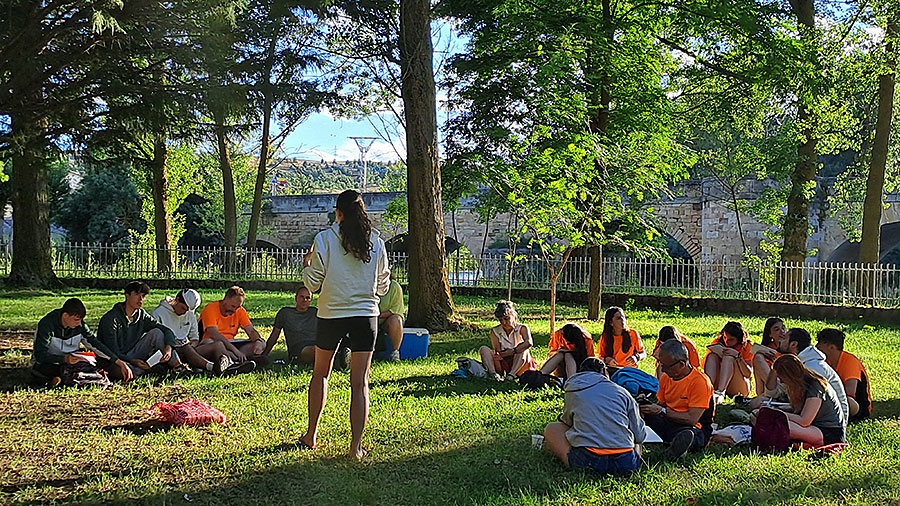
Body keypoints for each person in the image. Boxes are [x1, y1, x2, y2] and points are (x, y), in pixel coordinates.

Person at [298, 189, 391, 461]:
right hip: (365, 316)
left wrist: (306, 264)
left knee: (321, 374)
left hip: (331, 314)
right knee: (360, 383)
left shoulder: (324, 239)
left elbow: (312, 283)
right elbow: (383, 286)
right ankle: (355, 448)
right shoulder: (376, 242)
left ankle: (312, 435)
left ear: (337, 212)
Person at [543, 357, 645, 474]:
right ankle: (634, 463)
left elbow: (567, 422)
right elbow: (639, 436)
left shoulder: (574, 389)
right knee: (637, 434)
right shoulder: (622, 392)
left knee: (552, 428)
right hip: (625, 462)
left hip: (587, 460)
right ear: (604, 371)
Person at [754, 327, 849, 425]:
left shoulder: (812, 368)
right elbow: (772, 393)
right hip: (810, 415)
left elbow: (804, 413)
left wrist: (777, 411)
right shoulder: (799, 364)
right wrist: (775, 366)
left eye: (784, 338)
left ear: (794, 344)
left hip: (828, 423)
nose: (780, 340)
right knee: (760, 403)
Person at [640, 340, 715, 460]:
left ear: (681, 364)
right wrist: (644, 404)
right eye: (661, 364)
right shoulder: (666, 377)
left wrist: (661, 411)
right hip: (669, 420)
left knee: (690, 435)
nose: (663, 369)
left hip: (692, 427)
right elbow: (661, 405)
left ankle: (677, 446)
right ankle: (671, 443)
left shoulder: (700, 382)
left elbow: (691, 419)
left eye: (665, 365)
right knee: (641, 411)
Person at [96, 281, 180, 382]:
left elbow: (166, 330)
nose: (140, 299)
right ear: (127, 295)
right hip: (114, 360)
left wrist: (169, 347)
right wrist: (133, 361)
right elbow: (112, 350)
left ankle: (178, 366)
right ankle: (145, 370)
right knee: (126, 372)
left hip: (134, 354)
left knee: (157, 332)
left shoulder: (142, 315)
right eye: (136, 295)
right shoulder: (111, 319)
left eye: (143, 296)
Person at [768, 354, 846, 446]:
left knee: (783, 425)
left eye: (782, 378)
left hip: (828, 432)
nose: (781, 382)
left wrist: (777, 413)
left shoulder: (815, 386)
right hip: (812, 427)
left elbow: (804, 420)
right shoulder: (799, 386)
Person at [152, 289, 231, 375]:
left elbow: (195, 338)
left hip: (189, 350)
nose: (184, 312)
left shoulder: (190, 314)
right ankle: (212, 367)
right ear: (177, 300)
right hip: (170, 352)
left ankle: (230, 366)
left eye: (187, 311)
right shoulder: (159, 313)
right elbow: (155, 338)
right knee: (186, 349)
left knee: (217, 344)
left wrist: (192, 344)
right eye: (183, 308)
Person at [31, 298, 106, 383]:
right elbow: (39, 355)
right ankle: (56, 378)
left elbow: (94, 343)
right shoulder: (47, 325)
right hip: (50, 362)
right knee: (49, 369)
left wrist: (116, 360)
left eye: (81, 320)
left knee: (95, 365)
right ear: (65, 315)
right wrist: (64, 359)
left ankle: (69, 377)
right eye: (76, 320)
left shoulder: (81, 326)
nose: (79, 323)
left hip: (73, 362)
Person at [197, 286, 264, 373]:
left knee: (259, 344)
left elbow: (251, 330)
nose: (234, 310)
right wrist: (235, 351)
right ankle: (234, 363)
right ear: (225, 299)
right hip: (211, 343)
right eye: (232, 306)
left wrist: (258, 341)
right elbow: (214, 333)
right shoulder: (211, 308)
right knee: (217, 344)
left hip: (232, 344)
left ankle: (238, 360)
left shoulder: (240, 311)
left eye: (237, 307)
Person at [816, 328, 870, 421]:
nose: (816, 346)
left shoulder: (850, 361)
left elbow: (850, 393)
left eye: (820, 343)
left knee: (847, 400)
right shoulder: (826, 361)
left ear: (831, 347)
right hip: (835, 400)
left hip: (856, 406)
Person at [479, 300, 538, 380]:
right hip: (503, 361)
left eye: (506, 319)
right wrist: (500, 356)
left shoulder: (522, 328)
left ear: (513, 315)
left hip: (520, 361)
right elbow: (498, 352)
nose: (504, 322)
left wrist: (513, 351)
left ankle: (511, 375)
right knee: (484, 349)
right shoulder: (495, 331)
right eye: (501, 320)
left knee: (523, 349)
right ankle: (493, 374)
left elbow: (529, 343)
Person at [263, 285, 318, 365]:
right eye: (301, 297)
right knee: (316, 351)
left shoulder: (314, 312)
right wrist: (264, 354)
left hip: (316, 344)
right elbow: (274, 336)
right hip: (299, 349)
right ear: (296, 298)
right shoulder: (285, 313)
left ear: (311, 300)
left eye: (308, 298)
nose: (304, 300)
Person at [702, 321, 753, 400]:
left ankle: (720, 392)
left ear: (738, 339)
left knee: (728, 358)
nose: (726, 342)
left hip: (739, 385)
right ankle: (708, 389)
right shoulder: (718, 342)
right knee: (712, 356)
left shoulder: (747, 347)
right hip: (718, 381)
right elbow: (704, 366)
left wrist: (738, 357)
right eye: (725, 337)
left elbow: (748, 374)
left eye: (731, 339)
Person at [752, 317, 785, 396]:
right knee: (758, 357)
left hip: (784, 385)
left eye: (783, 328)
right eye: (777, 330)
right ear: (770, 334)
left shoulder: (790, 347)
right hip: (768, 386)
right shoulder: (768, 349)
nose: (782, 332)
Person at [377, 275, 404, 362]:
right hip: (366, 318)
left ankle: (395, 352)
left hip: (384, 320)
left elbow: (395, 310)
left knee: (396, 320)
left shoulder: (394, 286)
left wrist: (376, 315)